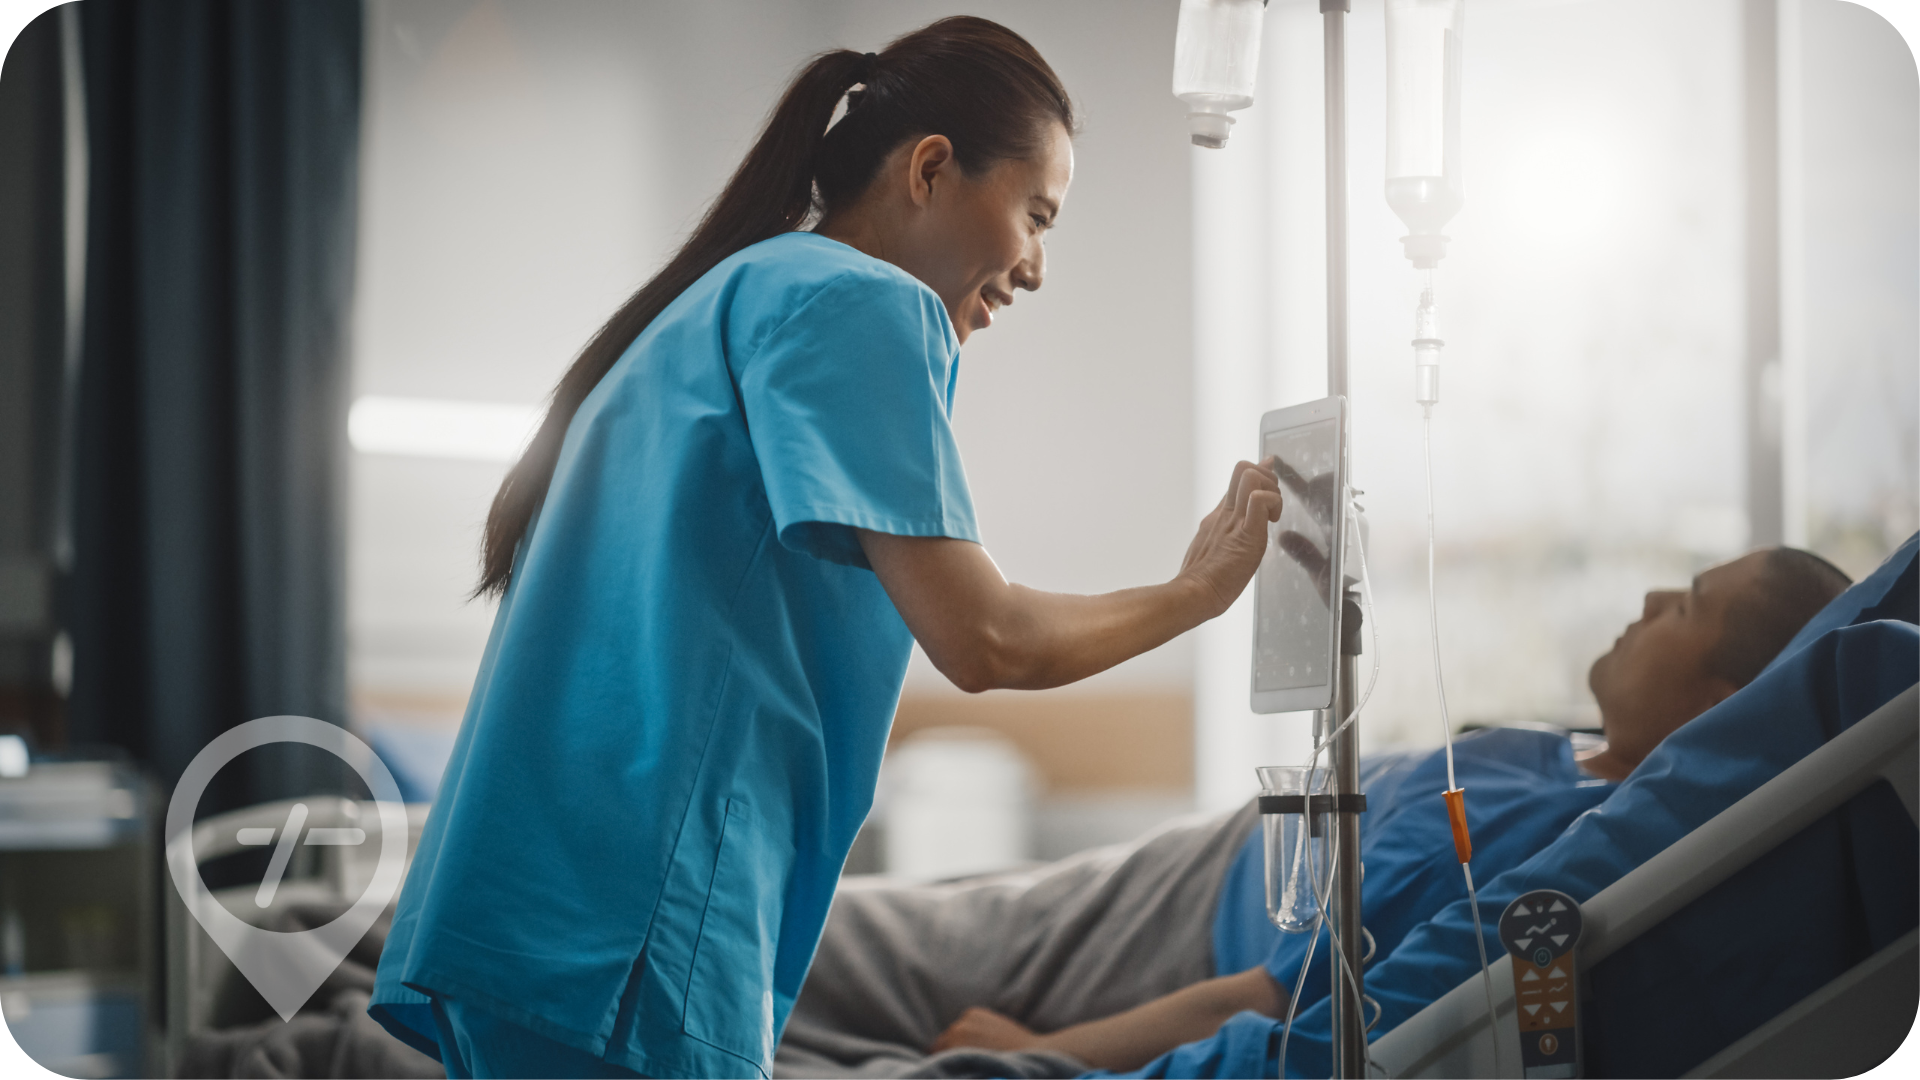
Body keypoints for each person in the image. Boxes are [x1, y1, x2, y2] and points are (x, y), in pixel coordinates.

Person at [368, 18, 1287, 1080]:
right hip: (627, 929)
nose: (1036, 268)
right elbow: (984, 638)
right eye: (1036, 214)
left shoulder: (734, 296)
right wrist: (1195, 594)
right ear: (932, 168)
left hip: (544, 917)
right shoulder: (858, 303)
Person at [772, 547, 1852, 1080]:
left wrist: (1051, 1051)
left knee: (824, 938)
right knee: (864, 923)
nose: (1657, 601)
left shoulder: (1561, 837)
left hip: (1183, 937)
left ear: (1726, 706)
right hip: (1211, 858)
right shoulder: (1560, 749)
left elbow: (1281, 999)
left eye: (1693, 607)